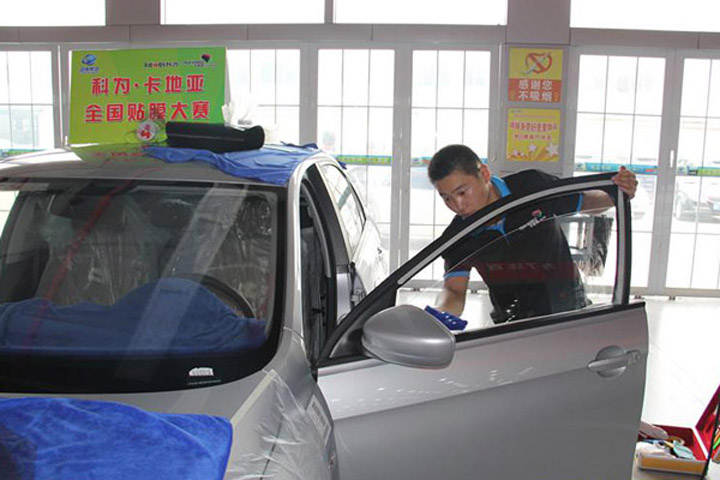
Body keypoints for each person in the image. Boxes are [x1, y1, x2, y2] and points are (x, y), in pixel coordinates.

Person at [428, 144, 638, 325]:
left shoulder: (532, 188)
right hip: (513, 326)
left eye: (462, 192)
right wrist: (439, 313)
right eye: (447, 198)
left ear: (484, 174)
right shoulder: (459, 235)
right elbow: (454, 291)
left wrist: (619, 193)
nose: (458, 205)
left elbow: (589, 202)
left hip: (569, 312)